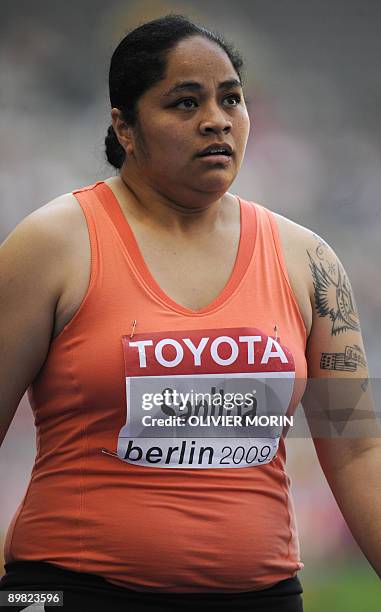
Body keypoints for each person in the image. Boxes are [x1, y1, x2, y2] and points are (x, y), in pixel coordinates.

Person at [0, 13, 380, 612]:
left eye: (233, 99)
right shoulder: (52, 245)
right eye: (184, 102)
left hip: (263, 597)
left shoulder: (308, 260)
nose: (217, 119)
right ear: (125, 128)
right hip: (73, 593)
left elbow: (357, 448)